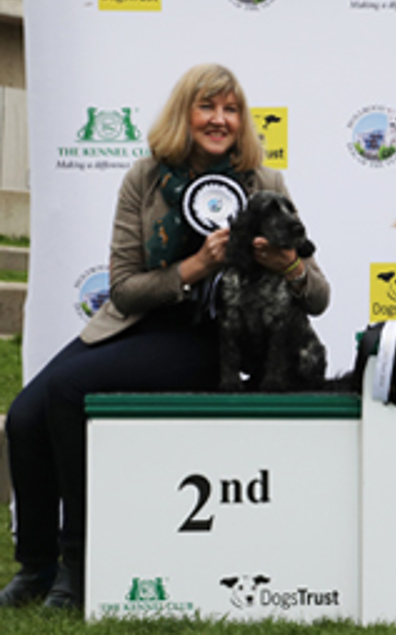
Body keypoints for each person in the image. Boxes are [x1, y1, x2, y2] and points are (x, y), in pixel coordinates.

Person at [0, 64, 330, 609]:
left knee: (68, 393)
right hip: (139, 323)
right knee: (25, 413)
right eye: (207, 107)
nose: (220, 119)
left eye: (231, 109)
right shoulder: (144, 178)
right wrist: (195, 267)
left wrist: (289, 265)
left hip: (209, 341)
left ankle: (78, 565)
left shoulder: (265, 184)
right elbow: (125, 291)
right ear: (184, 114)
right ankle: (35, 565)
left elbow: (318, 296)